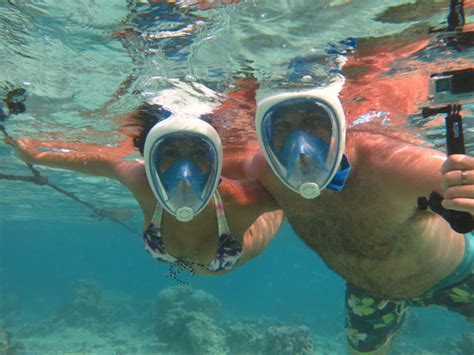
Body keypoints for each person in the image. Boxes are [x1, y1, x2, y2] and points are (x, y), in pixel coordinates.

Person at [245, 54, 474, 355]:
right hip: (371, 293)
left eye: (314, 121)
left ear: (339, 122)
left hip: (458, 275)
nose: (299, 145)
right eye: (283, 127)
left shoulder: (387, 164)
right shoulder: (265, 173)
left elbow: (445, 176)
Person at [4, 92, 283, 280]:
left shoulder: (242, 198)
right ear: (151, 159)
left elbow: (307, 200)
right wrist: (37, 157)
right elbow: (104, 162)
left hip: (229, 246)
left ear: (213, 160)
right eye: (169, 154)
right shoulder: (143, 182)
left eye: (198, 154)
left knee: (263, 173)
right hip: (199, 262)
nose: (183, 173)